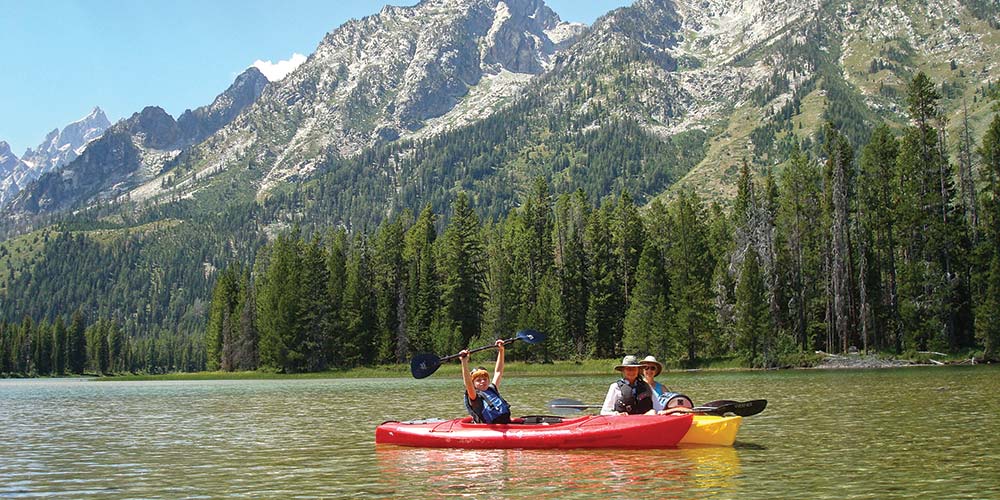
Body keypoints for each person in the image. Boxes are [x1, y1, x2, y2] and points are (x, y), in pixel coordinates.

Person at [459, 339, 511, 424]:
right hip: (488, 428)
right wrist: (464, 362)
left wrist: (501, 350)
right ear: (473, 384)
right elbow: (468, 384)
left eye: (485, 379)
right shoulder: (474, 397)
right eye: (478, 380)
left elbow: (498, 371)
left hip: (506, 424)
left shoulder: (492, 389)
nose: (483, 381)